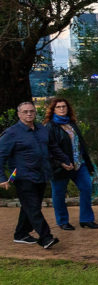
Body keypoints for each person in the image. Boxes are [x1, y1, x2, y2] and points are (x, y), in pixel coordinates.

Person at [0, 101, 67, 249]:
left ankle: (21, 234)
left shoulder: (42, 130)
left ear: (35, 113)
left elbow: (53, 147)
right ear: (19, 114)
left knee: (31, 206)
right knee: (33, 208)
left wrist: (65, 160)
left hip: (41, 174)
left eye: (32, 111)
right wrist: (2, 178)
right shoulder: (11, 133)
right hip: (22, 176)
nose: (29, 114)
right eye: (25, 112)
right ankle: (46, 237)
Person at [44, 98, 98, 231]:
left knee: (86, 188)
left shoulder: (72, 124)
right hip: (60, 167)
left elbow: (80, 145)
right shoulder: (50, 127)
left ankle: (86, 219)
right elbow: (49, 149)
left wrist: (87, 163)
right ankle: (63, 221)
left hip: (79, 164)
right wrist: (61, 163)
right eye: (58, 107)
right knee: (59, 194)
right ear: (53, 110)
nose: (62, 109)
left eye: (64, 106)